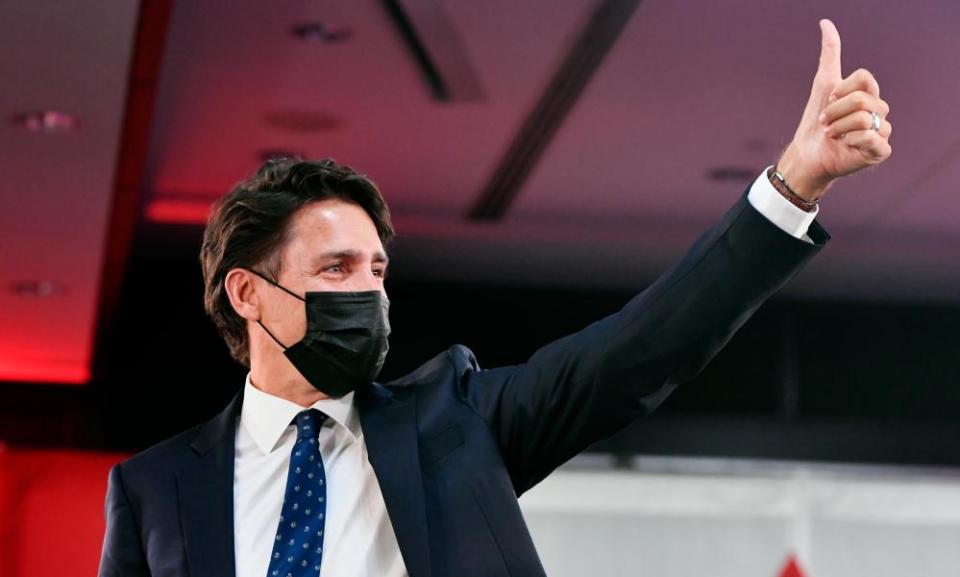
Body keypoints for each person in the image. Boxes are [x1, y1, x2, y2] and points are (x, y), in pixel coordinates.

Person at [98, 19, 891, 577]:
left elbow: (640, 349)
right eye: (337, 268)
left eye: (378, 271)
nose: (369, 292)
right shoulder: (153, 489)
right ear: (248, 292)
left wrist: (796, 182)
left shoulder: (457, 422)